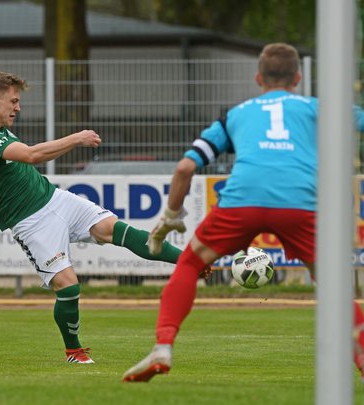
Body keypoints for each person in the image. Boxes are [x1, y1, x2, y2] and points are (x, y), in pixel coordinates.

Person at [122, 43, 364, 382]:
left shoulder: (235, 115)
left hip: (242, 201)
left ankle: (163, 346)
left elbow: (184, 168)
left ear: (258, 78)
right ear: (297, 78)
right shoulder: (318, 107)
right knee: (333, 285)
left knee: (190, 264)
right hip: (298, 202)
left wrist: (171, 216)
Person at [0, 71, 190, 364]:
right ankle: (73, 352)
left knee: (114, 229)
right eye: (13, 101)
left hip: (55, 199)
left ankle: (189, 261)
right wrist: (77, 137)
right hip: (31, 222)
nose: (18, 107)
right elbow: (32, 155)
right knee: (68, 286)